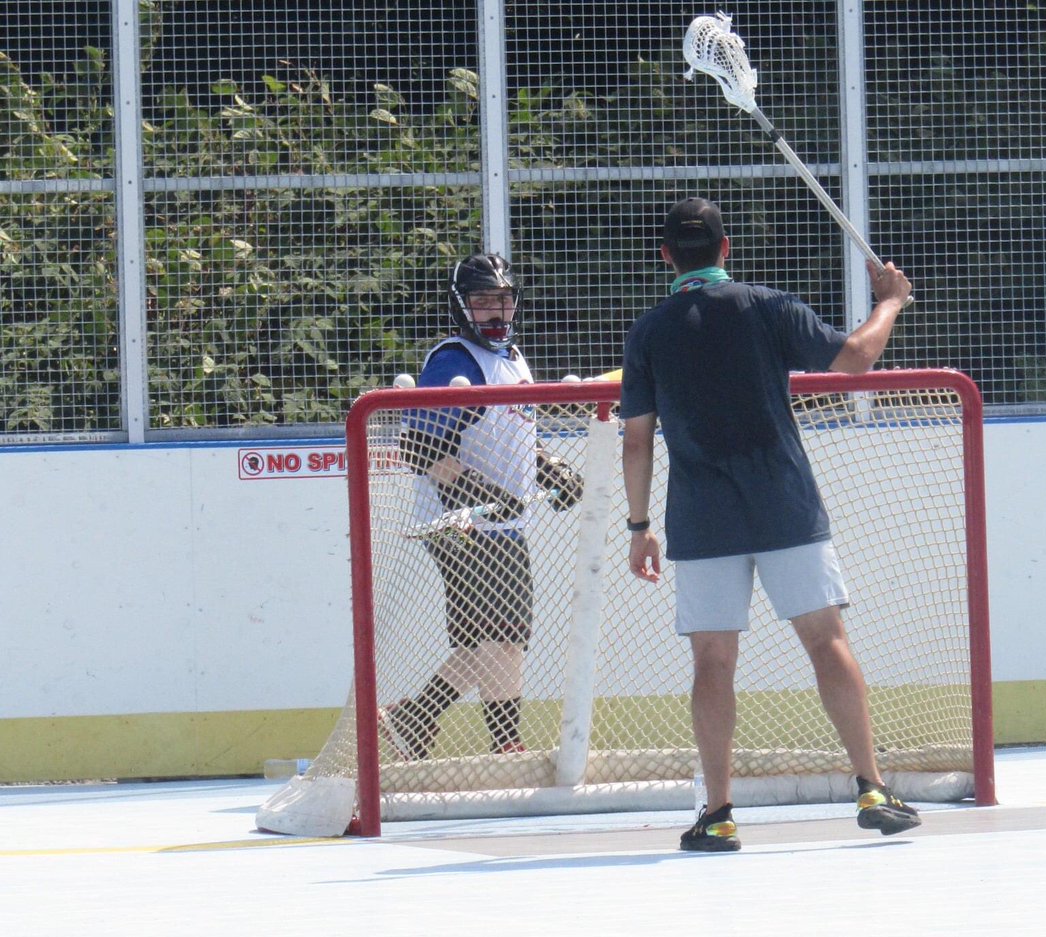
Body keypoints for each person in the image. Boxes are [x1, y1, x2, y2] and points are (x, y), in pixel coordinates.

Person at [620, 197, 919, 852]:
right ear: (727, 250)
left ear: (666, 257)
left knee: (713, 660)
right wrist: (891, 299)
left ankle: (720, 812)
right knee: (825, 639)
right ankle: (871, 785)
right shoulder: (770, 306)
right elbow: (855, 360)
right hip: (784, 503)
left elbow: (637, 442)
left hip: (702, 517)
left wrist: (639, 524)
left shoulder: (648, 332)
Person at [380, 252, 583, 760]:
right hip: (464, 524)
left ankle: (415, 718)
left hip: (496, 522)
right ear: (461, 307)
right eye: (482, 302)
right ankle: (505, 745)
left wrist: (547, 465)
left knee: (489, 641)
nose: (495, 312)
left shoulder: (511, 361)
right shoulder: (456, 362)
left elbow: (508, 436)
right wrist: (477, 491)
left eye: (503, 300)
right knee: (505, 637)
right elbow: (419, 448)